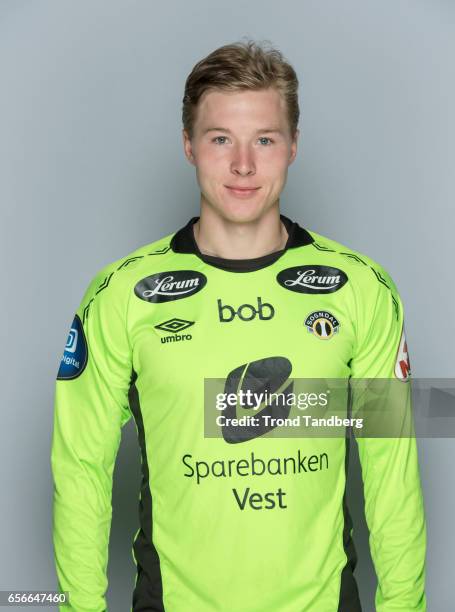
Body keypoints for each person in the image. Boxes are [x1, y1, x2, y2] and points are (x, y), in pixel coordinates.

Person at [51, 40, 427, 611]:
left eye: (265, 140)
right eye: (221, 138)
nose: (243, 165)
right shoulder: (122, 295)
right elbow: (80, 467)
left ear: (294, 147)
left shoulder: (362, 289)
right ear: (189, 146)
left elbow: (392, 472)